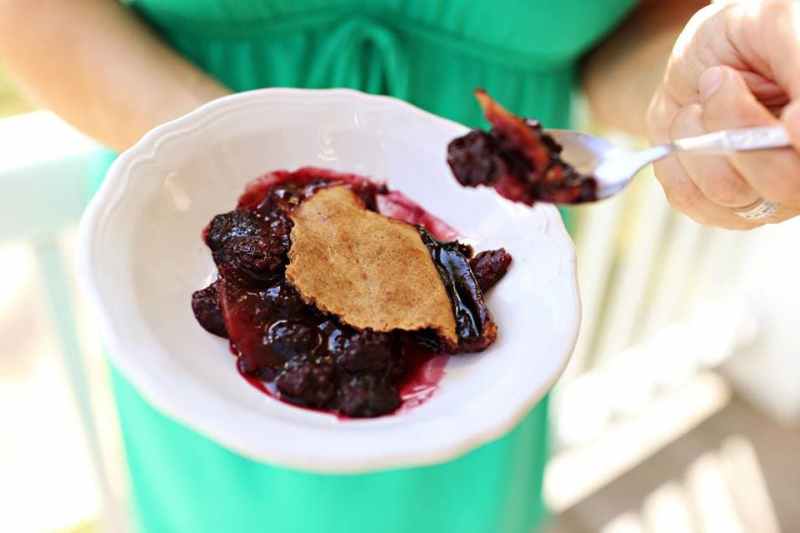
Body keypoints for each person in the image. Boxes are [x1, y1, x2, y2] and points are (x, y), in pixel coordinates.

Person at [1, 1, 797, 532]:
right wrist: (229, 156)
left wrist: (697, 98)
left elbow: (640, 29)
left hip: (487, 349)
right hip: (182, 246)